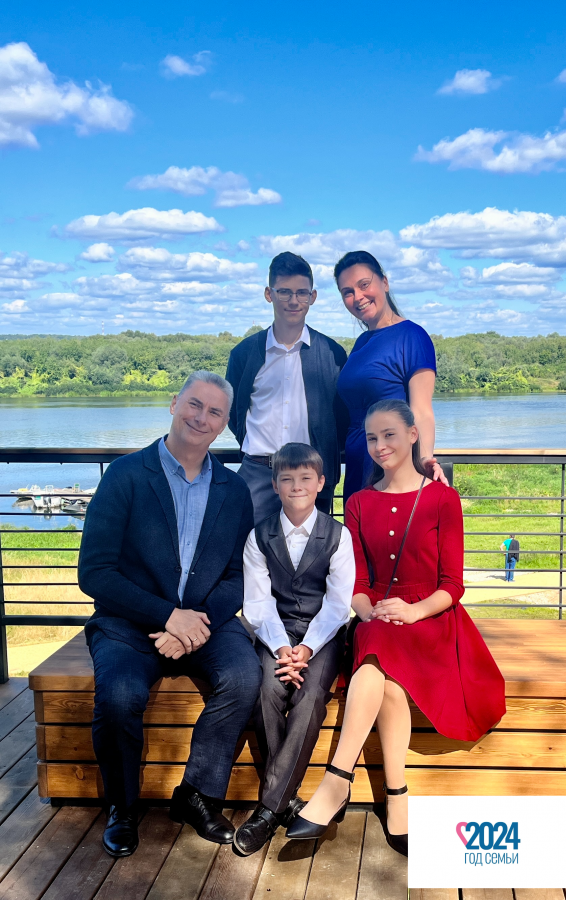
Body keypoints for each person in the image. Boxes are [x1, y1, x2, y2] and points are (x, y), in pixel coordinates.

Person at [287, 399, 506, 856]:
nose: (380, 445)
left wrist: (413, 611)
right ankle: (395, 797)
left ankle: (336, 782)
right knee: (375, 646)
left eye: (389, 434)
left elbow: (453, 585)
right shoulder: (358, 502)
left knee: (379, 665)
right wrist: (366, 610)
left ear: (412, 435)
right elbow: (357, 580)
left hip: (432, 620)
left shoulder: (442, 498)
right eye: (372, 438)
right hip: (377, 617)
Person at [78, 371, 262, 858]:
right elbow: (94, 572)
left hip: (206, 622)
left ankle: (196, 795)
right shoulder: (125, 475)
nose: (201, 418)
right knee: (119, 696)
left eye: (215, 412)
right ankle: (122, 807)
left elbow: (238, 577)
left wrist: (191, 624)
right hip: (127, 622)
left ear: (225, 423)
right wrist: (167, 616)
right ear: (174, 403)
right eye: (194, 405)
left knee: (245, 677)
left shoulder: (233, 489)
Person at [234, 442, 354, 855]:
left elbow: (338, 604)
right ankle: (284, 802)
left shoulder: (338, 536)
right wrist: (283, 647)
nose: (297, 486)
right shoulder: (259, 536)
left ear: (321, 483)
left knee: (310, 698)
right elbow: (257, 602)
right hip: (275, 632)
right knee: (264, 691)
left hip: (323, 636)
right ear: (275, 485)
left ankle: (269, 809)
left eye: (306, 478)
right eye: (287, 479)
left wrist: (308, 648)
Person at [226, 251, 349, 523]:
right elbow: (233, 413)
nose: (294, 301)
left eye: (302, 293)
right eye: (284, 292)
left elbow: (342, 418)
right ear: (269, 294)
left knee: (311, 550)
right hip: (258, 475)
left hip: (312, 476)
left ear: (312, 297)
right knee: (251, 546)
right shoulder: (244, 354)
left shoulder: (333, 354)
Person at [334, 250, 446, 502]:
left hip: (392, 469)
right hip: (356, 465)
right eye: (347, 292)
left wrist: (424, 460)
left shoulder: (412, 336)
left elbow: (421, 410)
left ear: (384, 282)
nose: (358, 297)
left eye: (364, 285)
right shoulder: (361, 343)